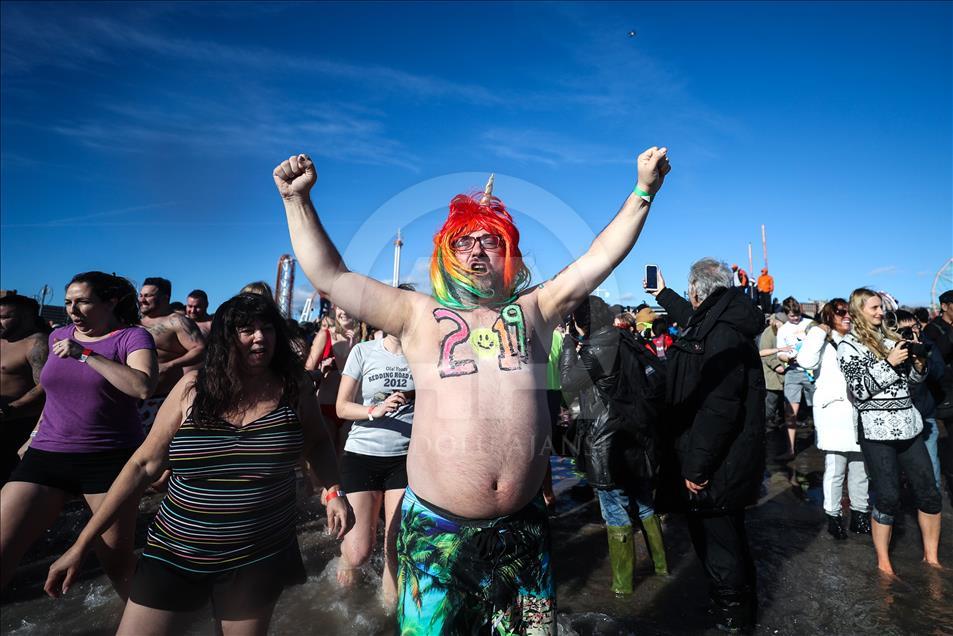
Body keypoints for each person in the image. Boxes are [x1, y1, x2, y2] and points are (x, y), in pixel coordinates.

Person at [274, 146, 670, 632]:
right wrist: (297, 202)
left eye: (490, 241)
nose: (478, 251)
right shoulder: (415, 314)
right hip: (437, 530)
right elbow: (332, 277)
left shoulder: (535, 310)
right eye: (465, 242)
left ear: (509, 252)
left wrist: (642, 191)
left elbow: (601, 256)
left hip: (521, 530)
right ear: (446, 253)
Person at [44, 293, 354, 634]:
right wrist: (81, 544)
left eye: (267, 328)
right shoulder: (193, 388)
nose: (260, 337)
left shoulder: (294, 388)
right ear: (225, 337)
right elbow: (142, 466)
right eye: (246, 329)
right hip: (174, 552)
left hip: (258, 553)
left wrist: (333, 490)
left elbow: (318, 441)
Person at [1, 272, 158, 597]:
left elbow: (142, 386)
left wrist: (86, 354)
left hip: (108, 460)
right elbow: (54, 391)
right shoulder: (59, 334)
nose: (73, 309)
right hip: (47, 454)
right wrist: (33, 432)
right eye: (69, 301)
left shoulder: (131, 337)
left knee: (118, 568)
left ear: (110, 302)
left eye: (83, 301)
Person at [647, 260, 764, 633]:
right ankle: (733, 609)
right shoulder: (724, 319)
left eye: (688, 291)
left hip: (717, 466)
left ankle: (733, 620)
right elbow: (696, 321)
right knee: (725, 539)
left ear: (697, 290)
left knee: (721, 546)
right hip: (723, 461)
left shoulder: (723, 334)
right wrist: (663, 294)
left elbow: (718, 411)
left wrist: (696, 469)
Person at [559, 295, 667, 598]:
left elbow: (568, 382)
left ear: (582, 321)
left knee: (615, 511)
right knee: (644, 502)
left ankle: (623, 586)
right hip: (637, 436)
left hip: (607, 441)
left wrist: (568, 342)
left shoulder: (597, 346)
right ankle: (661, 566)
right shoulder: (626, 338)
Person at [837, 288, 942, 575]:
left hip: (909, 427)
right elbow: (859, 390)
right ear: (858, 310)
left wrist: (919, 364)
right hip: (876, 432)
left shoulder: (893, 339)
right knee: (887, 498)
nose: (880, 312)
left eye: (881, 307)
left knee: (930, 493)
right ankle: (884, 564)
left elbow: (914, 382)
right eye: (873, 308)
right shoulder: (849, 346)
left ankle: (931, 558)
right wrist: (888, 363)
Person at [334, 299, 415, 606]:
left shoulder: (420, 356)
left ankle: (386, 616)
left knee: (394, 546)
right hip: (362, 455)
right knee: (358, 552)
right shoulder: (363, 351)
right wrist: (374, 409)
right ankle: (344, 562)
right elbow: (342, 407)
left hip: (404, 459)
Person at [796, 299, 870, 539]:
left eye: (849, 312)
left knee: (861, 468)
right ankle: (833, 515)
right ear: (829, 316)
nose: (846, 316)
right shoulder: (820, 339)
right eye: (840, 312)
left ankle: (860, 514)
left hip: (859, 411)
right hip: (834, 413)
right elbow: (805, 361)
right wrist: (819, 331)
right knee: (835, 468)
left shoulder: (859, 338)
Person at [138, 277, 206, 433]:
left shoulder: (177, 322)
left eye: (148, 296)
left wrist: (169, 365)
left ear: (165, 298)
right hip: (133, 399)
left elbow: (200, 349)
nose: (142, 300)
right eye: (141, 295)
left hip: (163, 399)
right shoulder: (134, 323)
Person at [0, 294, 50, 482]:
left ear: (26, 317)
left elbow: (45, 386)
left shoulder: (37, 344)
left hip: (17, 424)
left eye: (5, 317)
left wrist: (10, 409)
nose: (0, 322)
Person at [894, 309, 945, 491]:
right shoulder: (889, 348)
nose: (911, 333)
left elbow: (939, 372)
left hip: (924, 413)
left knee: (930, 461)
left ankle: (934, 497)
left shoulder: (926, 344)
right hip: (898, 416)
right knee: (898, 463)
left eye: (914, 327)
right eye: (905, 330)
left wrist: (922, 359)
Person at [776, 296, 814, 459]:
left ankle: (823, 445)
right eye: (792, 316)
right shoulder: (783, 329)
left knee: (818, 409)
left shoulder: (809, 324)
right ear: (786, 314)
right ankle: (791, 449)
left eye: (797, 314)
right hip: (793, 371)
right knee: (790, 413)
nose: (796, 318)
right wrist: (788, 359)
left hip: (811, 371)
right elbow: (780, 353)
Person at [759, 312, 788, 455]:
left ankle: (778, 432)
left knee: (782, 408)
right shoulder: (768, 333)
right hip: (772, 376)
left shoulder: (785, 332)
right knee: (770, 406)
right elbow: (765, 353)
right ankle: (763, 433)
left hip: (784, 375)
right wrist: (776, 365)